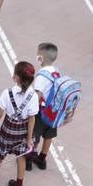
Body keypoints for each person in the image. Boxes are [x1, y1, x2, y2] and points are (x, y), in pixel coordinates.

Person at [0, 61, 38, 186]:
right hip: (22, 130)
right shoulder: (33, 96)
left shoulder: (7, 92)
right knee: (21, 156)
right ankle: (19, 185)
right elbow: (32, 118)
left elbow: (0, 111)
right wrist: (29, 139)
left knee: (0, 153)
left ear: (16, 77)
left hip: (7, 128)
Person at [27, 43, 62, 172]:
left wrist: (30, 110)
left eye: (38, 54)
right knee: (49, 135)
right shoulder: (55, 71)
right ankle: (42, 159)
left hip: (42, 112)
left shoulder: (42, 76)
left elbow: (38, 96)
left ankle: (29, 159)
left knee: (34, 135)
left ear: (41, 58)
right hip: (54, 110)